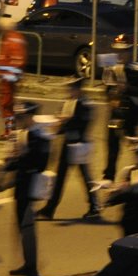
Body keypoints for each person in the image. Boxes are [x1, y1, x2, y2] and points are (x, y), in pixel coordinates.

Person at [38, 76, 102, 221]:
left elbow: (83, 124)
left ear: (79, 89)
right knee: (59, 178)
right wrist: (57, 126)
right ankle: (49, 209)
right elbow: (62, 122)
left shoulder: (85, 104)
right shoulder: (67, 102)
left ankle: (95, 207)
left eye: (72, 88)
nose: (69, 91)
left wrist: (66, 121)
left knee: (86, 178)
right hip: (67, 144)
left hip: (79, 145)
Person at [9, 102, 52, 276]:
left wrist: (23, 155)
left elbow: (41, 164)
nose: (19, 120)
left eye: (21, 117)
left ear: (30, 116)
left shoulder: (40, 137)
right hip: (21, 185)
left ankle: (31, 266)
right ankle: (28, 263)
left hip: (30, 186)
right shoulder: (23, 134)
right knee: (21, 226)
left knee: (27, 226)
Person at [0, 16, 27, 139]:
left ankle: (10, 132)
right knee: (4, 105)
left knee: (6, 105)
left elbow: (17, 62)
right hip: (6, 79)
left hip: (8, 80)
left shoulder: (12, 39)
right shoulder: (11, 38)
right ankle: (12, 128)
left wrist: (8, 77)